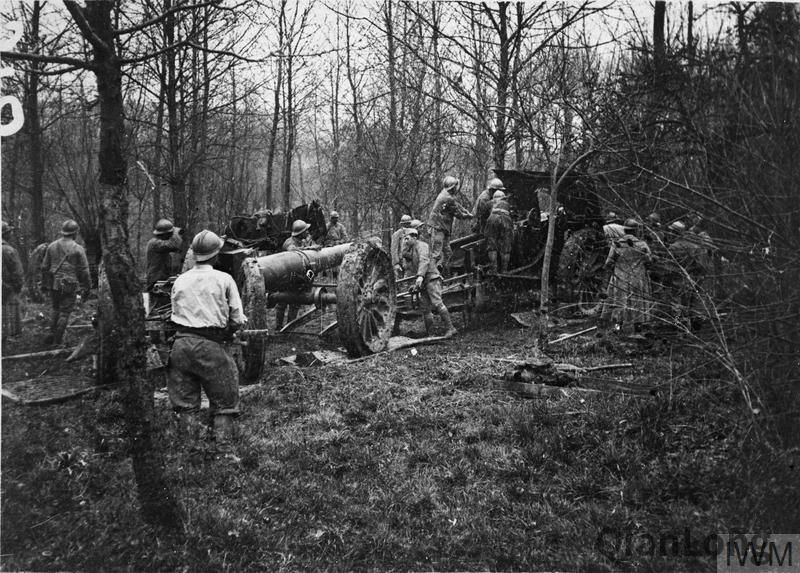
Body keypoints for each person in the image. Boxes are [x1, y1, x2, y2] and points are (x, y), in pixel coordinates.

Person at [168, 229, 247, 451]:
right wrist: (231, 330)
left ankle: (189, 451)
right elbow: (237, 318)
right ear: (216, 255)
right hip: (211, 346)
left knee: (185, 405)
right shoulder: (224, 279)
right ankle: (223, 451)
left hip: (181, 346)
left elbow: (174, 313)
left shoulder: (180, 280)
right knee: (225, 402)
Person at [41, 219, 92, 346]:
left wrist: (46, 283)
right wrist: (87, 287)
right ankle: (57, 342)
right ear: (75, 233)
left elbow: (44, 267)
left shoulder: (52, 246)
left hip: (54, 284)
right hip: (69, 284)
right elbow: (85, 271)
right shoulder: (78, 249)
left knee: (55, 309)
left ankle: (52, 334)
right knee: (64, 313)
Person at [599, 218, 652, 334]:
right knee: (637, 301)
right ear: (636, 231)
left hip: (620, 278)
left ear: (625, 230)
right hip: (637, 277)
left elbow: (608, 263)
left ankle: (618, 327)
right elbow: (649, 260)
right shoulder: (642, 245)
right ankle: (638, 328)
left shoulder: (617, 244)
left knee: (619, 301)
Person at [404, 226, 457, 338]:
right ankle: (430, 333)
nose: (405, 241)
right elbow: (414, 268)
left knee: (437, 303)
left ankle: (451, 328)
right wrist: (415, 283)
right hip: (423, 281)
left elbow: (424, 261)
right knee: (425, 308)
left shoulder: (422, 246)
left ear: (414, 237)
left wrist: (420, 277)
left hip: (431, 278)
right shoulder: (412, 250)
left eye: (407, 238)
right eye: (404, 238)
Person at [427, 175, 474, 274]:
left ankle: (443, 273)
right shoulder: (447, 197)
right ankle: (432, 276)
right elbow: (458, 214)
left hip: (443, 228)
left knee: (448, 253)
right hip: (438, 228)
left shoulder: (447, 195)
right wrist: (469, 216)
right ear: (452, 187)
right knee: (436, 254)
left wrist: (467, 211)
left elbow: (458, 206)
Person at [275, 220, 314, 330]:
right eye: (306, 231)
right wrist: (309, 248)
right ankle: (278, 327)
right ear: (300, 233)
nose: (308, 232)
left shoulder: (301, 242)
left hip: (296, 278)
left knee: (295, 303)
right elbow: (294, 252)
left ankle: (289, 328)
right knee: (282, 302)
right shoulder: (289, 242)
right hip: (285, 277)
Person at [145, 218, 183, 311]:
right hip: (156, 279)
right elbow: (174, 245)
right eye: (169, 234)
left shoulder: (159, 244)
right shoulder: (155, 243)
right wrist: (175, 232)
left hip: (161, 278)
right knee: (155, 308)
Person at [2, 221, 24, 339]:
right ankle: (14, 334)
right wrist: (18, 285)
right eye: (8, 232)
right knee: (13, 308)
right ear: (5, 234)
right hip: (9, 285)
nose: (10, 234)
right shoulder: (8, 250)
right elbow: (17, 271)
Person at [484, 190, 514, 274]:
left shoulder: (489, 203)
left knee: (492, 245)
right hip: (505, 219)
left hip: (492, 219)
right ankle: (504, 270)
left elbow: (483, 216)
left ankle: (494, 270)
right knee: (506, 247)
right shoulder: (506, 203)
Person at [391, 214, 413, 280]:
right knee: (400, 282)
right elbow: (394, 249)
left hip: (409, 262)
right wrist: (396, 263)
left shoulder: (412, 233)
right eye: (406, 224)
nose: (407, 225)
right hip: (400, 262)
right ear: (402, 225)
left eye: (408, 224)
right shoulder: (397, 234)